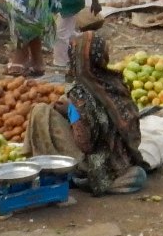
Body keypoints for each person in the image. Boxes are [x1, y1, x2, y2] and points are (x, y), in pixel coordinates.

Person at [24, 33, 148, 196]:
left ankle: (73, 175)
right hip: (122, 159)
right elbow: (131, 129)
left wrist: (71, 111)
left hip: (93, 163)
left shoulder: (78, 94)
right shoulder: (116, 83)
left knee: (40, 111)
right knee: (138, 174)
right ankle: (121, 177)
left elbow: (84, 144)